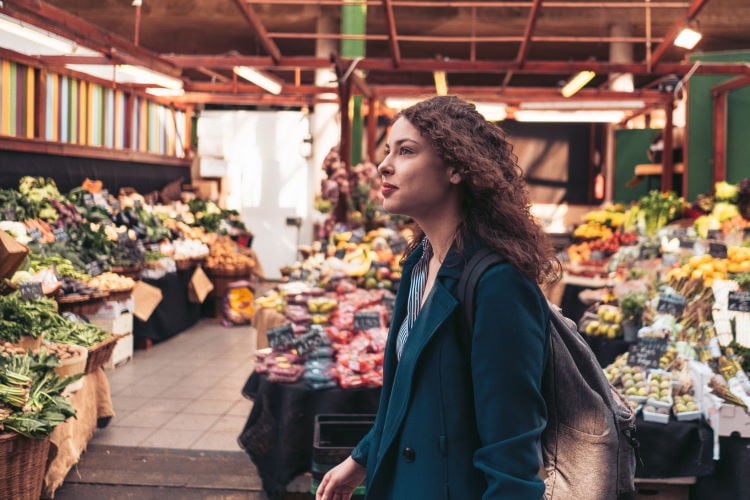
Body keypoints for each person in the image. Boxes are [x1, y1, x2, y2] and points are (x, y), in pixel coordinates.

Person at [316, 95, 560, 499]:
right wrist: (363, 457)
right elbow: (407, 395)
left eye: (406, 151)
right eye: (388, 151)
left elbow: (512, 449)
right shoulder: (419, 263)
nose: (384, 165)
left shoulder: (498, 283)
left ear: (456, 168)